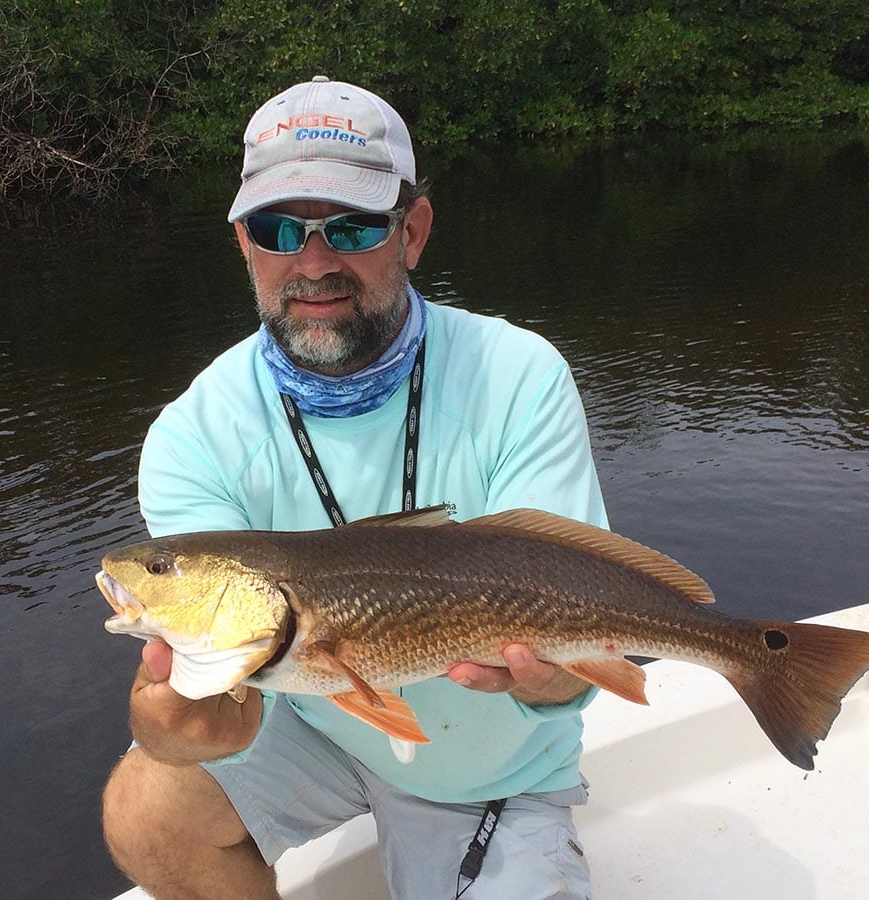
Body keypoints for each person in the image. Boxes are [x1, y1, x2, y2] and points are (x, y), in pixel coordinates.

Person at [101, 76, 608, 900]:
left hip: (492, 764)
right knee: (145, 811)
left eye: (354, 225)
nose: (313, 262)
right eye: (278, 229)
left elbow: (576, 626)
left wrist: (561, 680)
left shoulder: (517, 376)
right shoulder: (194, 433)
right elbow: (225, 680)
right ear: (242, 242)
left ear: (413, 231)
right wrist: (177, 725)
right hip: (304, 716)